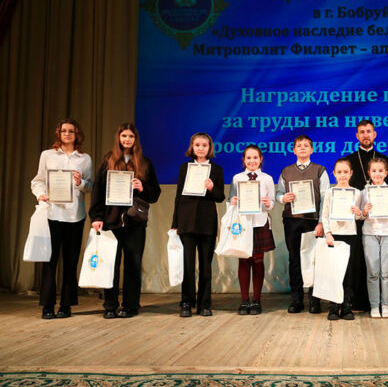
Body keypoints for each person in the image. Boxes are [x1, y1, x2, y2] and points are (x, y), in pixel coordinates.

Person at [89, 123, 161, 318]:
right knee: (110, 264)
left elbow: (155, 193)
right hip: (111, 222)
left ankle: (130, 305)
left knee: (133, 264)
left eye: (131, 136)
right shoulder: (108, 160)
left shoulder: (144, 162)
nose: (127, 139)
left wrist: (142, 187)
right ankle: (110, 305)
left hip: (134, 222)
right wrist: (96, 217)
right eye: (124, 136)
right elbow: (97, 191)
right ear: (118, 138)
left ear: (135, 139)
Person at [30, 118, 93, 319]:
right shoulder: (47, 155)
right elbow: (38, 181)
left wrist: (80, 182)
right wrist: (41, 194)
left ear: (77, 134)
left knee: (71, 262)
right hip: (52, 214)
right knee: (49, 261)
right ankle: (47, 305)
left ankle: (66, 305)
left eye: (71, 131)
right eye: (63, 131)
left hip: (75, 216)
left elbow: (91, 186)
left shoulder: (85, 158)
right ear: (59, 133)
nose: (67, 134)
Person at [172, 133, 225, 318]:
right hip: (186, 222)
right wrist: (175, 223)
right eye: (197, 145)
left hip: (206, 223)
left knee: (205, 266)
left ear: (209, 148)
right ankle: (187, 302)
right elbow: (178, 196)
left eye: (204, 145)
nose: (201, 148)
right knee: (187, 265)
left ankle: (204, 304)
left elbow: (220, 197)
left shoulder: (216, 169)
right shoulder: (184, 168)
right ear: (192, 147)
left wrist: (211, 188)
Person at [276, 135, 329, 314]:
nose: (303, 148)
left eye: (306, 145)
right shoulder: (286, 171)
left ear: (312, 149)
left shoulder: (320, 170)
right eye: (299, 145)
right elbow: (278, 193)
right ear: (294, 150)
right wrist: (283, 198)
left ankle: (315, 299)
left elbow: (326, 198)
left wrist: (321, 222)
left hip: (313, 221)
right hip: (292, 220)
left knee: (314, 259)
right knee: (294, 259)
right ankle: (296, 299)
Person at [346, 119, 388, 311]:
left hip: (379, 220)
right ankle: (358, 300)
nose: (366, 135)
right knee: (359, 260)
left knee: (380, 265)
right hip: (356, 217)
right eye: (362, 132)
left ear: (375, 134)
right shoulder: (350, 159)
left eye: (369, 131)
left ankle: (381, 302)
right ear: (357, 136)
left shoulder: (383, 159)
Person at [230, 144, 276, 315]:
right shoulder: (237, 178)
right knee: (243, 261)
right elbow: (230, 200)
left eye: (255, 157)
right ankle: (244, 300)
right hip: (242, 224)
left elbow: (272, 202)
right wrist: (232, 201)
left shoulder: (267, 179)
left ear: (260, 159)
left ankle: (256, 300)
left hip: (259, 222)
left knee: (257, 261)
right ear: (244, 160)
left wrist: (268, 203)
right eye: (248, 158)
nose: (252, 161)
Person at [361, 157, 388, 318]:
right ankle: (374, 306)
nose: (377, 174)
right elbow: (360, 215)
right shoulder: (364, 192)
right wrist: (365, 211)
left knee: (386, 272)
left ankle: (385, 305)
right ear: (369, 173)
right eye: (374, 171)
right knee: (372, 271)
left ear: (386, 173)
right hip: (370, 233)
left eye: (380, 171)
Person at [321, 158, 362, 320]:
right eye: (339, 172)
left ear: (351, 173)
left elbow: (359, 217)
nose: (343, 175)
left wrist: (358, 213)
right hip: (334, 235)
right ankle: (333, 306)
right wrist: (327, 233)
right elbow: (325, 215)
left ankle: (346, 306)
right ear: (334, 174)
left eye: (346, 172)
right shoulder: (330, 192)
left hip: (350, 235)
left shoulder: (357, 193)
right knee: (334, 271)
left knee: (348, 271)